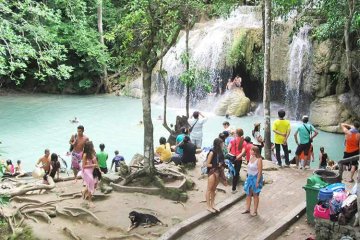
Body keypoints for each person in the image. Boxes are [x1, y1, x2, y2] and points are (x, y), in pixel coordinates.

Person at [206, 138, 226, 213]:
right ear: (218, 144)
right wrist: (217, 165)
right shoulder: (212, 152)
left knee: (214, 189)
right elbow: (207, 164)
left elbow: (222, 161)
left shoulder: (221, 152)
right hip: (212, 172)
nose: (223, 145)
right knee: (209, 189)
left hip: (218, 171)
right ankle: (208, 206)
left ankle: (213, 204)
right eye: (222, 143)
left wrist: (222, 164)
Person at [242, 146, 263, 217]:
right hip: (249, 177)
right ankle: (247, 208)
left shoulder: (259, 159)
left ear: (255, 152)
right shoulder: (251, 157)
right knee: (248, 194)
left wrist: (257, 181)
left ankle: (255, 211)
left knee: (255, 194)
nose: (250, 151)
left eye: (251, 150)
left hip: (255, 178)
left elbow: (260, 171)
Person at [228, 128, 247, 193]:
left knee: (232, 170)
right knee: (236, 173)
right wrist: (237, 157)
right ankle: (233, 189)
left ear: (236, 133)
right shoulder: (244, 142)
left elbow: (228, 148)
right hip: (238, 159)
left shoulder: (233, 140)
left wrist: (230, 154)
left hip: (232, 158)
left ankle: (233, 180)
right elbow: (243, 152)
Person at [82, 141, 99, 207]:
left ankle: (84, 192)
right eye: (92, 146)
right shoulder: (85, 155)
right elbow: (83, 166)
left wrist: (99, 170)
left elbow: (96, 162)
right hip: (87, 171)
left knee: (95, 184)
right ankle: (90, 201)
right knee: (90, 184)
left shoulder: (93, 153)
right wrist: (93, 165)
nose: (93, 146)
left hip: (93, 170)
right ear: (89, 147)